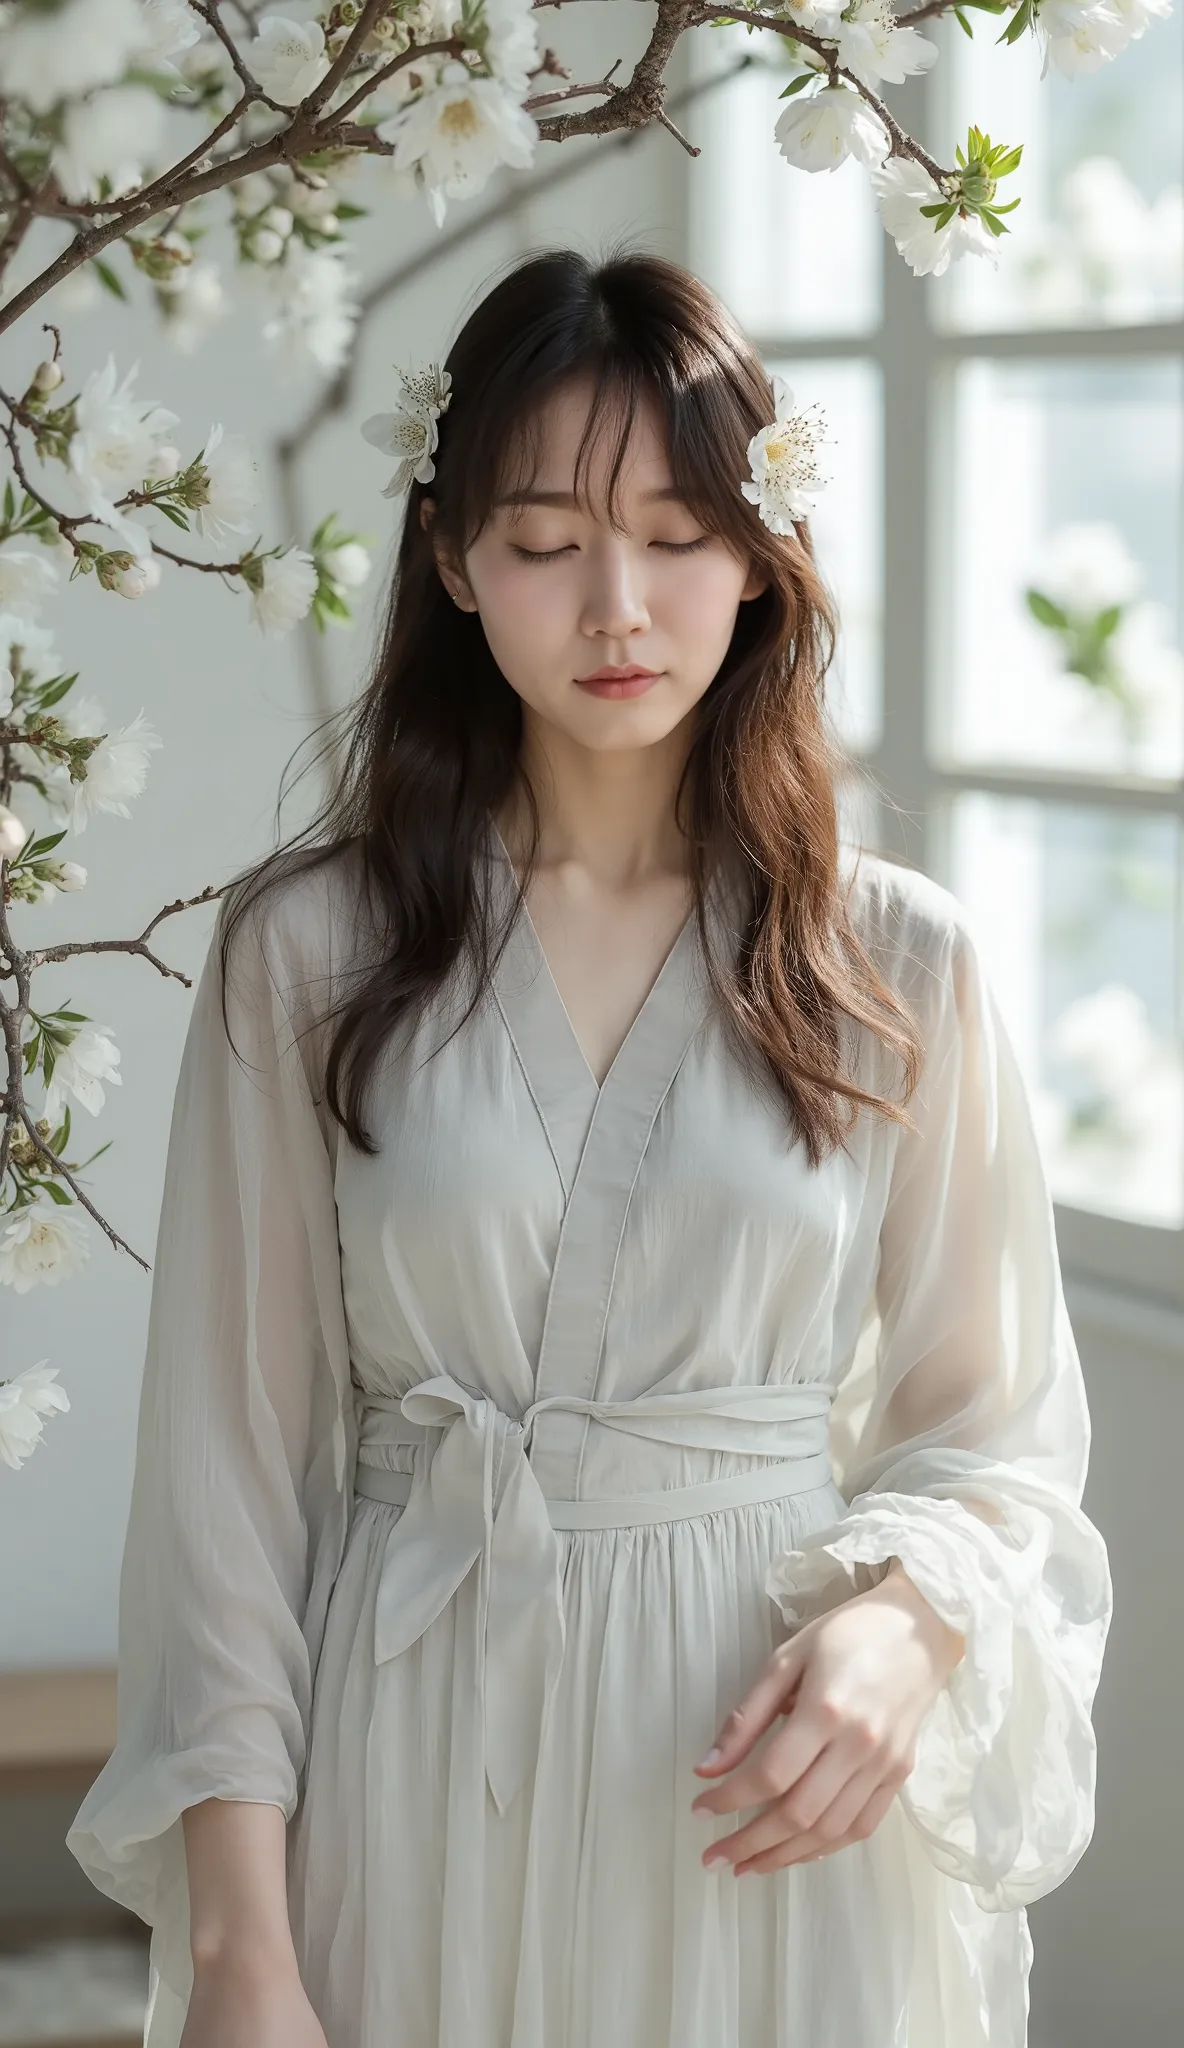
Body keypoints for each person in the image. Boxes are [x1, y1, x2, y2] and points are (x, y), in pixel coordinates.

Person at [66, 242, 1113, 2048]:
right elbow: (225, 1488)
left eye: (680, 536)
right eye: (545, 544)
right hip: (419, 1760)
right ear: (456, 563)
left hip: (768, 1797)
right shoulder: (308, 953)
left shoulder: (899, 960)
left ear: (762, 557)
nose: (616, 605)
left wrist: (908, 1630)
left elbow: (996, 1429)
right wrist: (243, 1950)